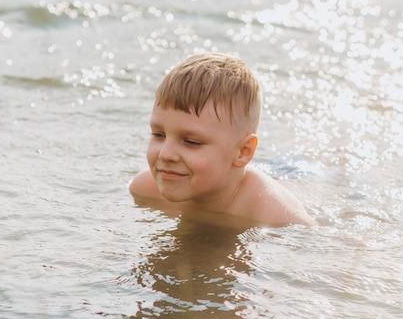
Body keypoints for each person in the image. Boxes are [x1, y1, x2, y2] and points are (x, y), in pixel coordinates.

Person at [129, 52, 316, 226]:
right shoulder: (145, 189)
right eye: (159, 135)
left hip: (299, 176)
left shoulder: (275, 215)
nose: (166, 154)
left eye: (191, 142)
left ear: (243, 151)